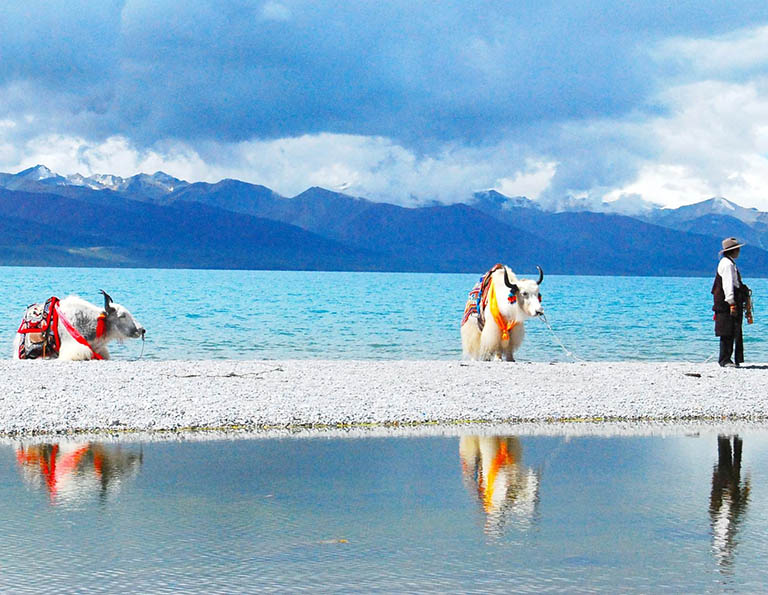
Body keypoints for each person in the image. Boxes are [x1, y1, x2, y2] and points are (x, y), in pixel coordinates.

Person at [712, 237, 749, 367]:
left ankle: (727, 358)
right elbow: (728, 285)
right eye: (737, 249)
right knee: (728, 330)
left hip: (725, 301)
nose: (738, 251)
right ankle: (725, 359)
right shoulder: (727, 265)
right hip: (726, 302)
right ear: (733, 251)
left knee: (731, 330)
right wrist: (731, 302)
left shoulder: (728, 262)